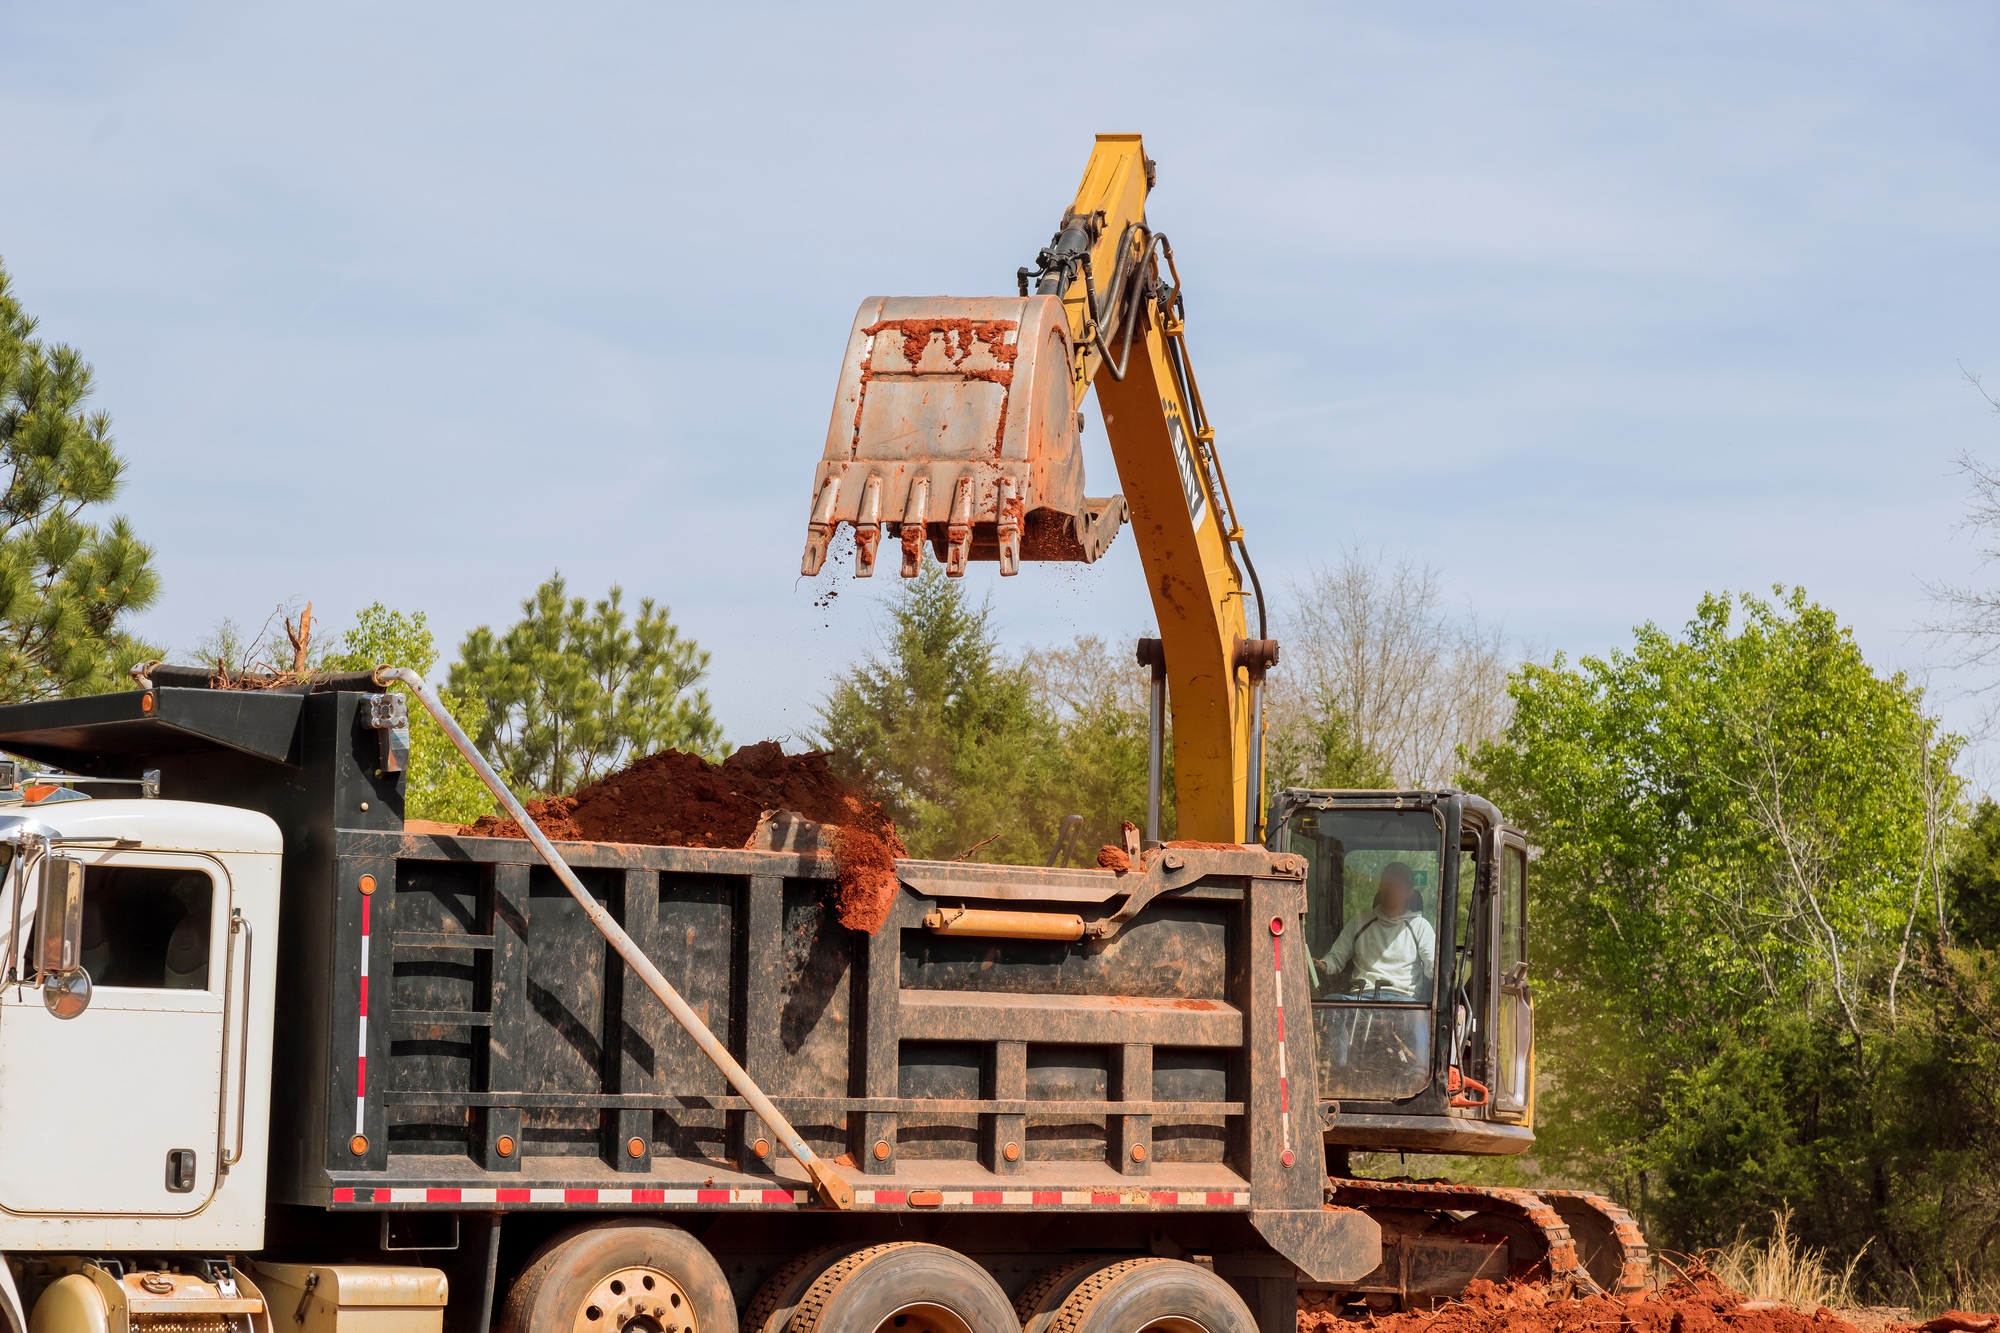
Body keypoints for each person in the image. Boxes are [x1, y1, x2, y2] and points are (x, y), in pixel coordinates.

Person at [1318, 861, 1436, 1000]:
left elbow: (1432, 965)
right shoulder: (1360, 922)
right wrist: (1323, 965)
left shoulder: (1420, 926)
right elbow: (1336, 957)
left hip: (1403, 1001)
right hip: (1360, 998)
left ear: (1410, 892)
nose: (1390, 890)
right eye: (1386, 884)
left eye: (1396, 886)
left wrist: (1443, 973)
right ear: (1380, 887)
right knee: (1331, 1001)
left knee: (1417, 1018)